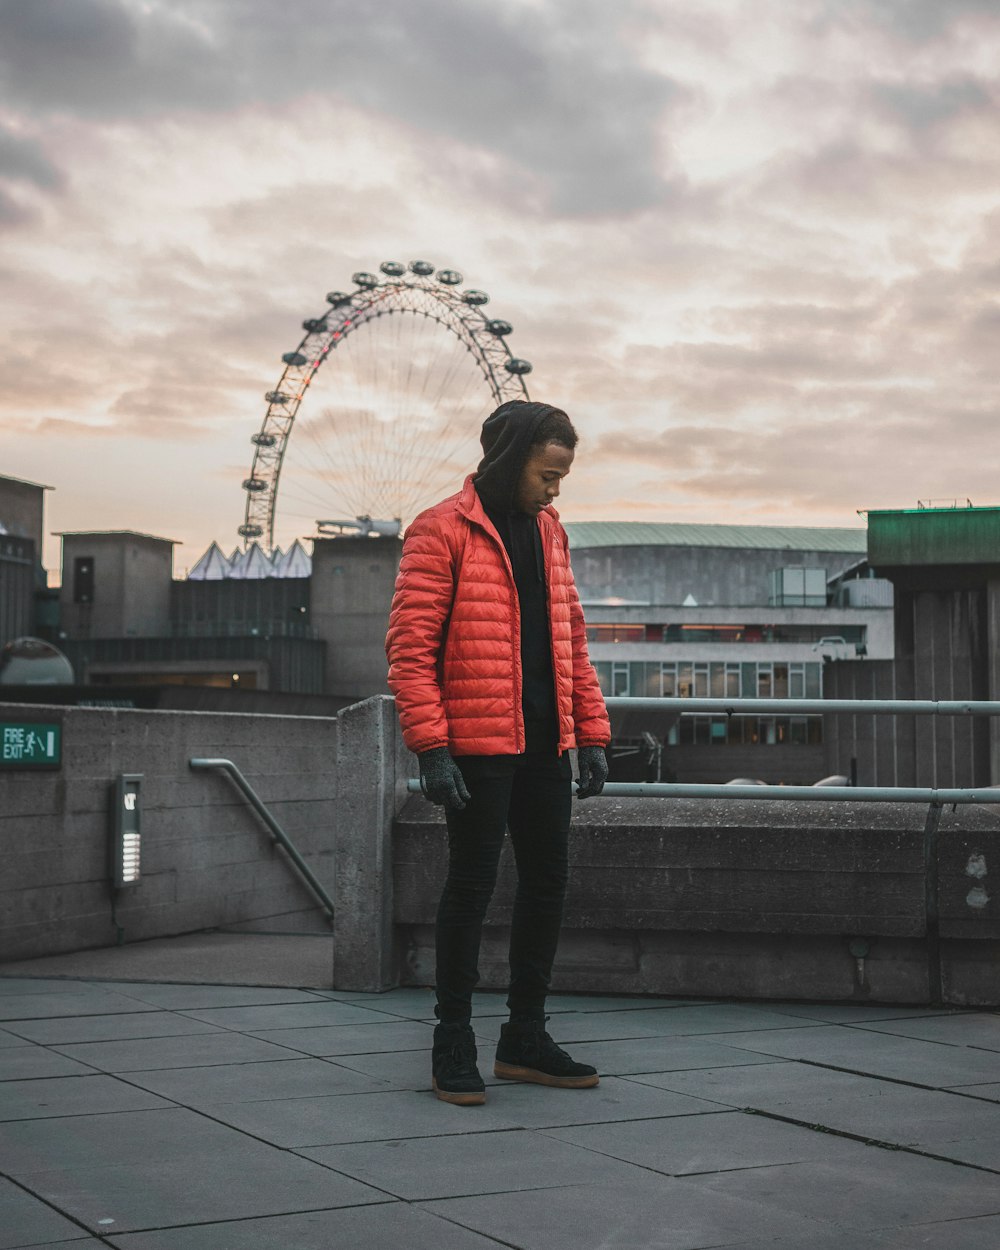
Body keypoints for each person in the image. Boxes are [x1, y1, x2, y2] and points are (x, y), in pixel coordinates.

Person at [385, 399, 611, 1106]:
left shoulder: (551, 533)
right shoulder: (439, 530)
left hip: (547, 744)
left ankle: (525, 1036)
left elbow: (572, 640)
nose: (554, 490)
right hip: (478, 747)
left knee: (547, 886)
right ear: (513, 460)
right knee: (471, 889)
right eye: (548, 474)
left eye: (562, 478)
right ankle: (453, 1038)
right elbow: (410, 650)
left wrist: (594, 731)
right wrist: (430, 747)